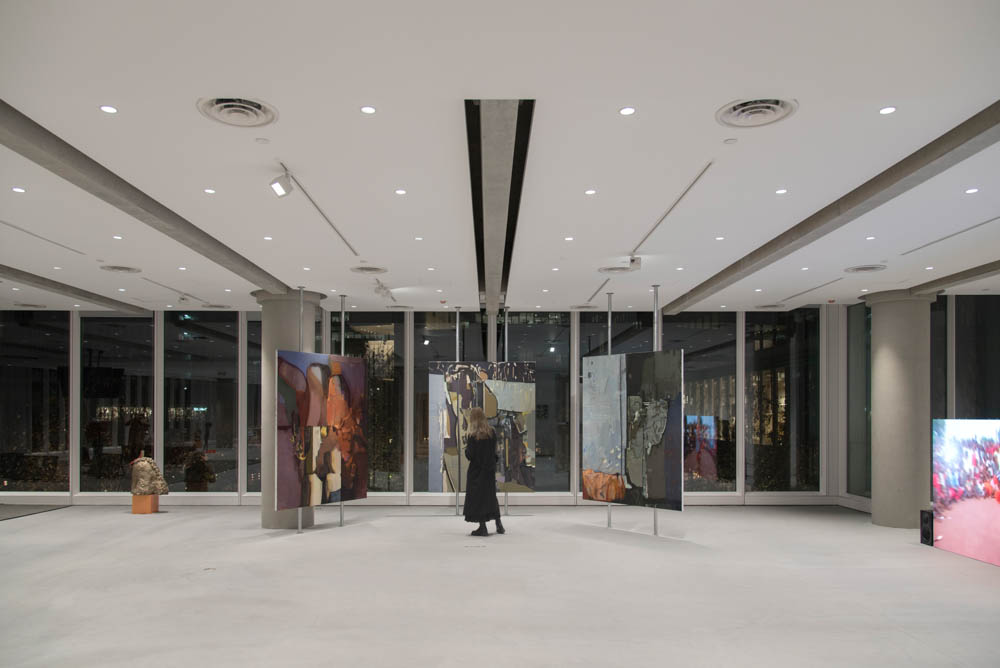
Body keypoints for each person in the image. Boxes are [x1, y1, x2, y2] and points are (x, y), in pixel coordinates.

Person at [463, 407, 504, 537]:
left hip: (476, 472)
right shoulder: (491, 432)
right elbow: (494, 452)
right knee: (490, 496)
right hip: (489, 471)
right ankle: (499, 524)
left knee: (478, 497)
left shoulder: (473, 436)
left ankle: (483, 527)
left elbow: (470, 455)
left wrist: (466, 450)